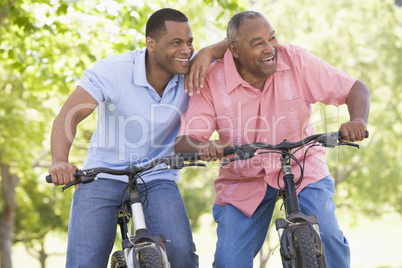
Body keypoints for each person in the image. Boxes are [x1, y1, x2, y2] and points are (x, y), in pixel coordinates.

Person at [175, 11, 370, 268]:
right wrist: (205, 146)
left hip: (301, 165)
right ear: (233, 50)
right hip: (244, 178)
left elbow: (355, 88)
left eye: (272, 39)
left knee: (330, 238)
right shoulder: (212, 78)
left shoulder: (295, 60)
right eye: (257, 43)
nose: (270, 49)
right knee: (228, 262)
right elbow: (184, 141)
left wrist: (358, 120)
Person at [48, 8, 227, 268]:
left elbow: (238, 43)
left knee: (183, 257)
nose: (186, 50)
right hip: (102, 175)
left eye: (190, 42)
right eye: (176, 43)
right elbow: (69, 116)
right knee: (84, 262)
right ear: (150, 44)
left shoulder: (191, 66)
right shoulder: (114, 70)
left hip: (157, 176)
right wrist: (59, 161)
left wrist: (209, 52)